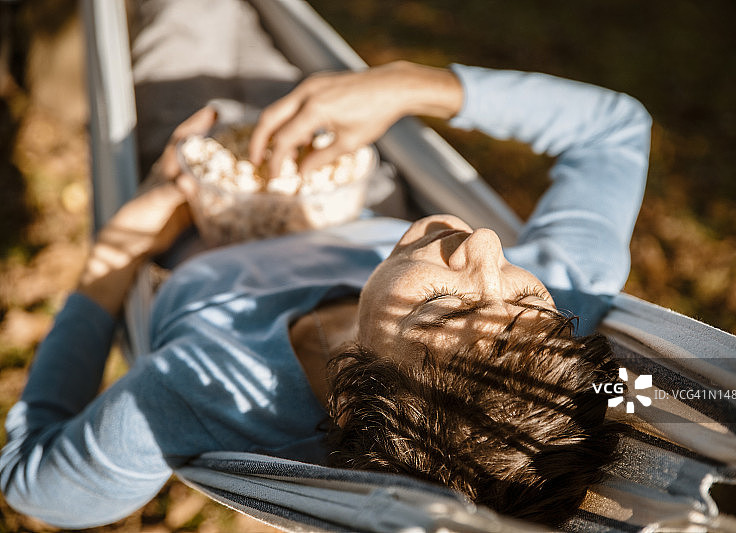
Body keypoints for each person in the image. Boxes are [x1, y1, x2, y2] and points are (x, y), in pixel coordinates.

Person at [0, 57, 650, 529]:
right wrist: (401, 85)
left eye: (447, 305)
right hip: (348, 168)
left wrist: (119, 249)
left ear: (351, 396)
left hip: (186, 212)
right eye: (527, 304)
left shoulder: (199, 393)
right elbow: (614, 129)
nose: (485, 245)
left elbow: (31, 481)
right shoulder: (568, 305)